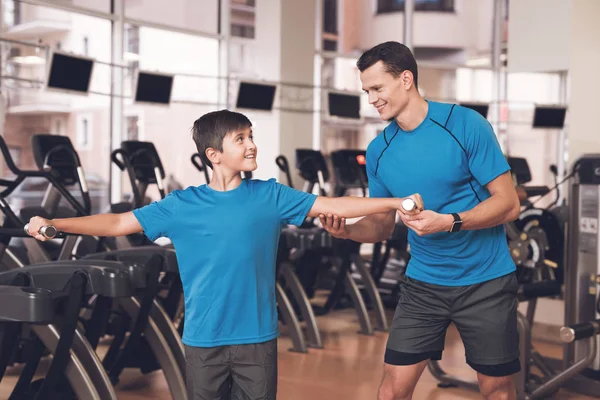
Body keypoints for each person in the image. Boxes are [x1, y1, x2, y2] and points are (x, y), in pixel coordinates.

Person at [25, 109, 423, 400]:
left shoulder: (269, 195)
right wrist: (58, 225)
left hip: (257, 339)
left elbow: (333, 205)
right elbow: (116, 224)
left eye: (252, 136)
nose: (252, 145)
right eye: (241, 139)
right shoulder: (181, 205)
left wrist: (393, 202)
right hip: (203, 339)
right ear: (214, 154)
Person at [319, 41, 521, 400]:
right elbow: (381, 226)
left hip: (485, 281)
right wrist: (348, 231)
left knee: (498, 391)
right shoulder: (380, 151)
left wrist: (449, 222)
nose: (372, 99)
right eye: (367, 91)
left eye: (378, 88)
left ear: (406, 79)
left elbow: (508, 204)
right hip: (424, 285)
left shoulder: (464, 125)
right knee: (391, 391)